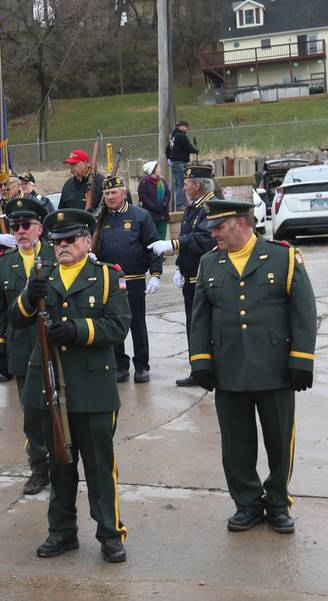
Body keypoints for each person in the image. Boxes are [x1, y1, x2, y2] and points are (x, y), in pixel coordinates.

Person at [189, 198, 316, 535]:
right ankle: (247, 503)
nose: (213, 233)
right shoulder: (208, 263)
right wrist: (200, 361)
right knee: (236, 443)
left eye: (219, 227)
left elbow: (304, 313)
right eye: (212, 227)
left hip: (275, 370)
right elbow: (199, 318)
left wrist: (302, 360)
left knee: (279, 442)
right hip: (228, 369)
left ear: (241, 223)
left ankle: (277, 503)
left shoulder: (283, 257)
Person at [12, 208, 131, 563]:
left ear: (86, 240)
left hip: (93, 388)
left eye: (69, 240)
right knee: (60, 467)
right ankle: (61, 532)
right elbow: (17, 320)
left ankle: (110, 533)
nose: (61, 246)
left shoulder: (108, 277)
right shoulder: (41, 274)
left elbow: (118, 326)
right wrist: (28, 297)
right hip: (50, 388)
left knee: (99, 467)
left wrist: (79, 330)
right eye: (56, 241)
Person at [0, 197, 54, 495]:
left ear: (39, 228)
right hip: (21, 349)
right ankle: (39, 467)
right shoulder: (4, 264)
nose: (20, 231)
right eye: (15, 226)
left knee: (59, 408)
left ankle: (62, 462)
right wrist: (0, 350)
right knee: (32, 413)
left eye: (26, 225)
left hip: (55, 347)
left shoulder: (57, 256)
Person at [147, 164, 215, 387]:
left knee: (204, 327)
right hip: (190, 276)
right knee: (193, 326)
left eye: (186, 184)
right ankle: (198, 369)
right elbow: (189, 238)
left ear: (197, 185)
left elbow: (204, 239)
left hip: (204, 279)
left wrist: (171, 244)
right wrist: (179, 266)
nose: (183, 187)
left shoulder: (210, 207)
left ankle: (208, 370)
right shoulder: (194, 206)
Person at [95, 176, 161, 383]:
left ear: (124, 193)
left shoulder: (140, 216)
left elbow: (152, 246)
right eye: (106, 194)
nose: (110, 197)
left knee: (137, 324)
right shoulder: (99, 219)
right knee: (114, 323)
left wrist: (156, 274)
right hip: (109, 280)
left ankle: (141, 365)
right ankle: (120, 365)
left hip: (134, 279)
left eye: (114, 192)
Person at [166, 121, 199, 211]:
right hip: (180, 162)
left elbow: (167, 150)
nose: (187, 129)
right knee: (182, 184)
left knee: (178, 184)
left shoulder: (173, 137)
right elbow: (188, 147)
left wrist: (169, 159)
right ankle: (179, 205)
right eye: (186, 127)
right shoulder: (181, 136)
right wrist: (196, 151)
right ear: (181, 127)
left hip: (174, 163)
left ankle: (179, 204)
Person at [137, 161, 170, 240]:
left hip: (163, 214)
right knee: (152, 238)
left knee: (162, 237)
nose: (159, 169)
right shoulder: (144, 183)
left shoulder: (161, 181)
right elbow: (143, 197)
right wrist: (155, 207)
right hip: (151, 215)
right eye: (158, 168)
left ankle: (161, 252)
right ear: (152, 170)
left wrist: (164, 204)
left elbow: (168, 193)